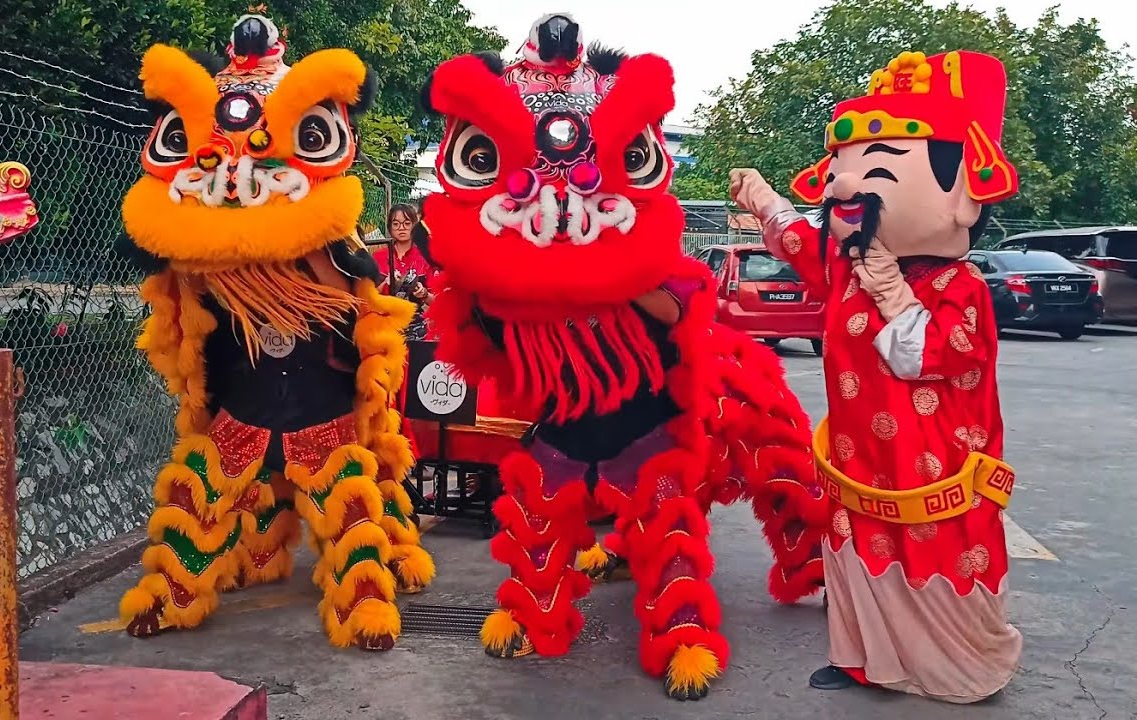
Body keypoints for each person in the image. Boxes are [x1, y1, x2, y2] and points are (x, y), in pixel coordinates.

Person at [417, 13, 826, 701]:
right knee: (538, 518)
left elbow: (679, 315)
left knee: (674, 530)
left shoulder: (651, 273)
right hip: (563, 429)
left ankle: (693, 636)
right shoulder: (494, 283)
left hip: (646, 426)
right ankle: (531, 614)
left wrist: (623, 279)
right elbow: (477, 342)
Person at [114, 12, 433, 649]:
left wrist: (296, 243)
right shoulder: (199, 254)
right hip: (244, 404)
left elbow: (352, 296)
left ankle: (368, 596)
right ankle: (173, 593)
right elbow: (177, 294)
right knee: (201, 495)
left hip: (323, 405)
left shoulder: (334, 247)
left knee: (357, 500)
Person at [731, 49, 1023, 703]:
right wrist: (763, 198)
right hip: (860, 473)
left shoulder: (960, 286)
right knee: (858, 559)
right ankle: (861, 656)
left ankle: (952, 669)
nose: (844, 188)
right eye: (841, 170)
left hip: (936, 485)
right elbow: (795, 237)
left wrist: (890, 285)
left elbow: (931, 355)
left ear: (962, 199)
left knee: (934, 566)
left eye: (878, 171)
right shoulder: (847, 271)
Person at [374, 203, 436, 341]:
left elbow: (437, 301)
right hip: (384, 323)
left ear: (415, 225)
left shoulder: (425, 256)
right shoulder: (378, 256)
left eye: (407, 223)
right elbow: (367, 299)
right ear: (390, 227)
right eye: (396, 224)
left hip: (416, 326)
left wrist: (424, 294)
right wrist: (385, 284)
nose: (401, 228)